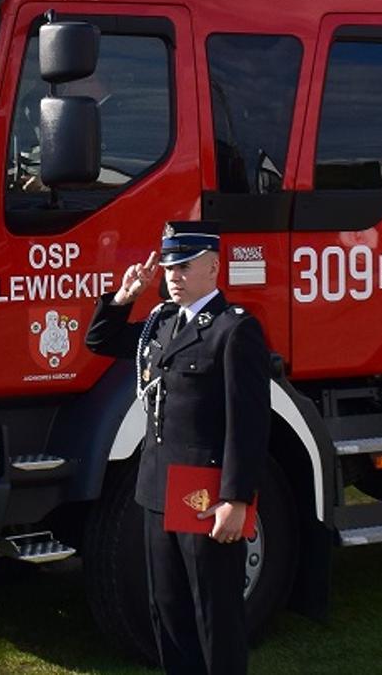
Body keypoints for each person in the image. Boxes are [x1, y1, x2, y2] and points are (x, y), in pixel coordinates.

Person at [85, 222, 273, 675]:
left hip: (206, 493)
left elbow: (247, 424)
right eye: (169, 267)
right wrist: (125, 297)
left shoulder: (234, 330)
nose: (174, 275)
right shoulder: (163, 322)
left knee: (214, 610)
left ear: (213, 267)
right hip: (157, 490)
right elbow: (100, 341)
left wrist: (236, 499)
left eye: (185, 266)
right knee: (166, 607)